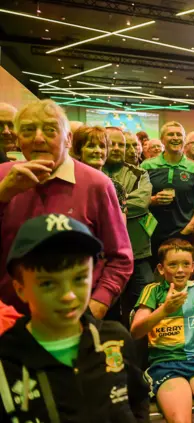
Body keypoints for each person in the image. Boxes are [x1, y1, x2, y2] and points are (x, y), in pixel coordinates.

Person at [0, 214, 149, 421]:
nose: (68, 295)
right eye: (48, 284)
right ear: (20, 288)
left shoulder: (114, 339)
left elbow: (138, 399)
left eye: (79, 278)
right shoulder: (7, 362)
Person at [0, 100, 133, 318]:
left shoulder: (96, 184)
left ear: (68, 139)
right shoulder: (3, 177)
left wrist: (95, 307)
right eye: (28, 130)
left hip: (74, 319)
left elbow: (120, 257)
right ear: (17, 139)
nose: (39, 138)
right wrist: (3, 195)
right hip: (8, 321)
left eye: (50, 130)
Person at [131, 239, 194, 423]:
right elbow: (135, 331)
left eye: (186, 264)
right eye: (173, 264)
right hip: (165, 364)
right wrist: (164, 310)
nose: (180, 270)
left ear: (193, 266)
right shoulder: (153, 291)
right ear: (161, 269)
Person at [103, 127, 155, 327]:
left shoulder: (139, 173)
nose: (117, 148)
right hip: (105, 254)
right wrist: (122, 205)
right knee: (109, 305)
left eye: (121, 144)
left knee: (143, 300)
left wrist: (105, 208)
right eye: (111, 143)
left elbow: (141, 203)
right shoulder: (92, 171)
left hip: (137, 250)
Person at [141, 121, 194, 265]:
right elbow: (137, 197)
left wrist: (191, 226)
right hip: (151, 231)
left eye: (179, 134)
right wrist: (153, 200)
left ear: (184, 140)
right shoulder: (147, 166)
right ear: (162, 139)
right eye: (170, 134)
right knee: (153, 275)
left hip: (182, 232)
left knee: (178, 274)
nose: (175, 137)